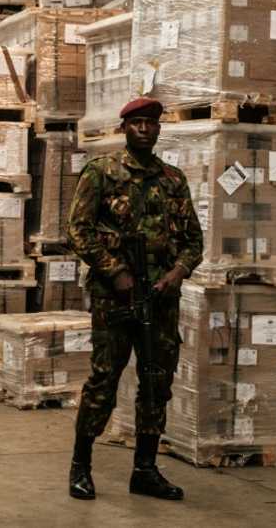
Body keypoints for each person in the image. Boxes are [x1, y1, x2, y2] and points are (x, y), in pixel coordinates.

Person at [65, 96, 203, 501]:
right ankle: (81, 466)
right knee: (104, 380)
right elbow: (78, 231)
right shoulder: (102, 173)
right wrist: (116, 271)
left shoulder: (173, 180)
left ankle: (144, 469)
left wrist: (177, 274)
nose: (144, 129)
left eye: (151, 123)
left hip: (161, 299)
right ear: (124, 129)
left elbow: (194, 240)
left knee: (157, 383)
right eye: (137, 123)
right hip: (115, 298)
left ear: (159, 130)